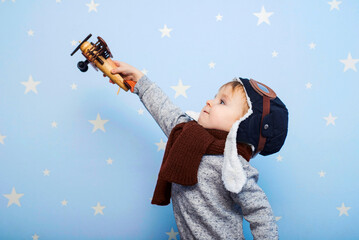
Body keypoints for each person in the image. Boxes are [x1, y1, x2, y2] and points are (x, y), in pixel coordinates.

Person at [108, 60, 288, 239]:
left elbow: (260, 212)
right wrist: (139, 79)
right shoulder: (187, 133)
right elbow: (164, 108)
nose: (210, 101)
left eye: (222, 102)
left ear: (243, 124)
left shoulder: (234, 167)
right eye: (215, 97)